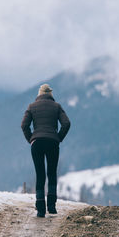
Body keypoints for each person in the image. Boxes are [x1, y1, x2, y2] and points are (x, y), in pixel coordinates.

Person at [21, 83, 70, 217]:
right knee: (52, 173)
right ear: (50, 94)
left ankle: (41, 207)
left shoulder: (31, 107)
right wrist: (58, 137)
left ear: (39, 94)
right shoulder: (57, 106)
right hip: (52, 142)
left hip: (37, 143)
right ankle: (52, 206)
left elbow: (24, 125)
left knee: (40, 174)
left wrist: (31, 139)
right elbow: (66, 123)